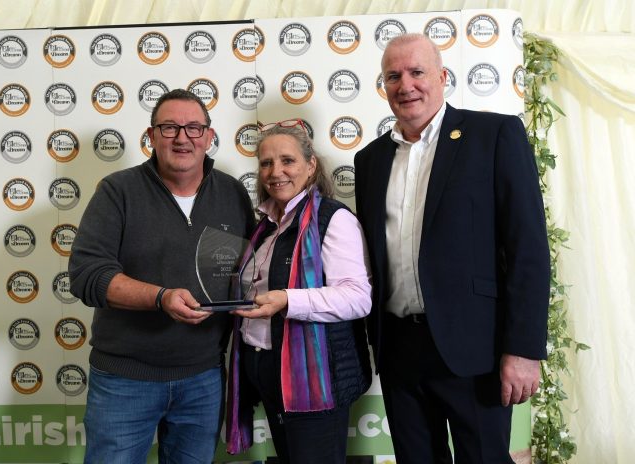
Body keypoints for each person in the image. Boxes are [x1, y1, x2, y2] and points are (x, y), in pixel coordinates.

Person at [354, 34, 550, 463]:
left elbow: (528, 251)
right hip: (400, 353)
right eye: (393, 76)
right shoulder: (369, 161)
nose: (405, 85)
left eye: (417, 72)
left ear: (443, 77)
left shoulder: (493, 135)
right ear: (383, 86)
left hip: (475, 349)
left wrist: (524, 349)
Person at [68, 89, 255, 464]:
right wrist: (160, 297)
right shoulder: (117, 191)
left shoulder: (232, 193)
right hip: (125, 380)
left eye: (193, 128)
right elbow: (88, 276)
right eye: (169, 128)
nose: (182, 138)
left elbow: (249, 270)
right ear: (151, 136)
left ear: (208, 135)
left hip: (203, 378)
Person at [225, 120, 372, 464]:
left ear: (311, 165)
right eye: (266, 163)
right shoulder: (264, 226)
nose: (276, 172)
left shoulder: (333, 219)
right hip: (269, 376)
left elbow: (357, 297)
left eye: (287, 161)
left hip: (314, 381)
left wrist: (287, 300)